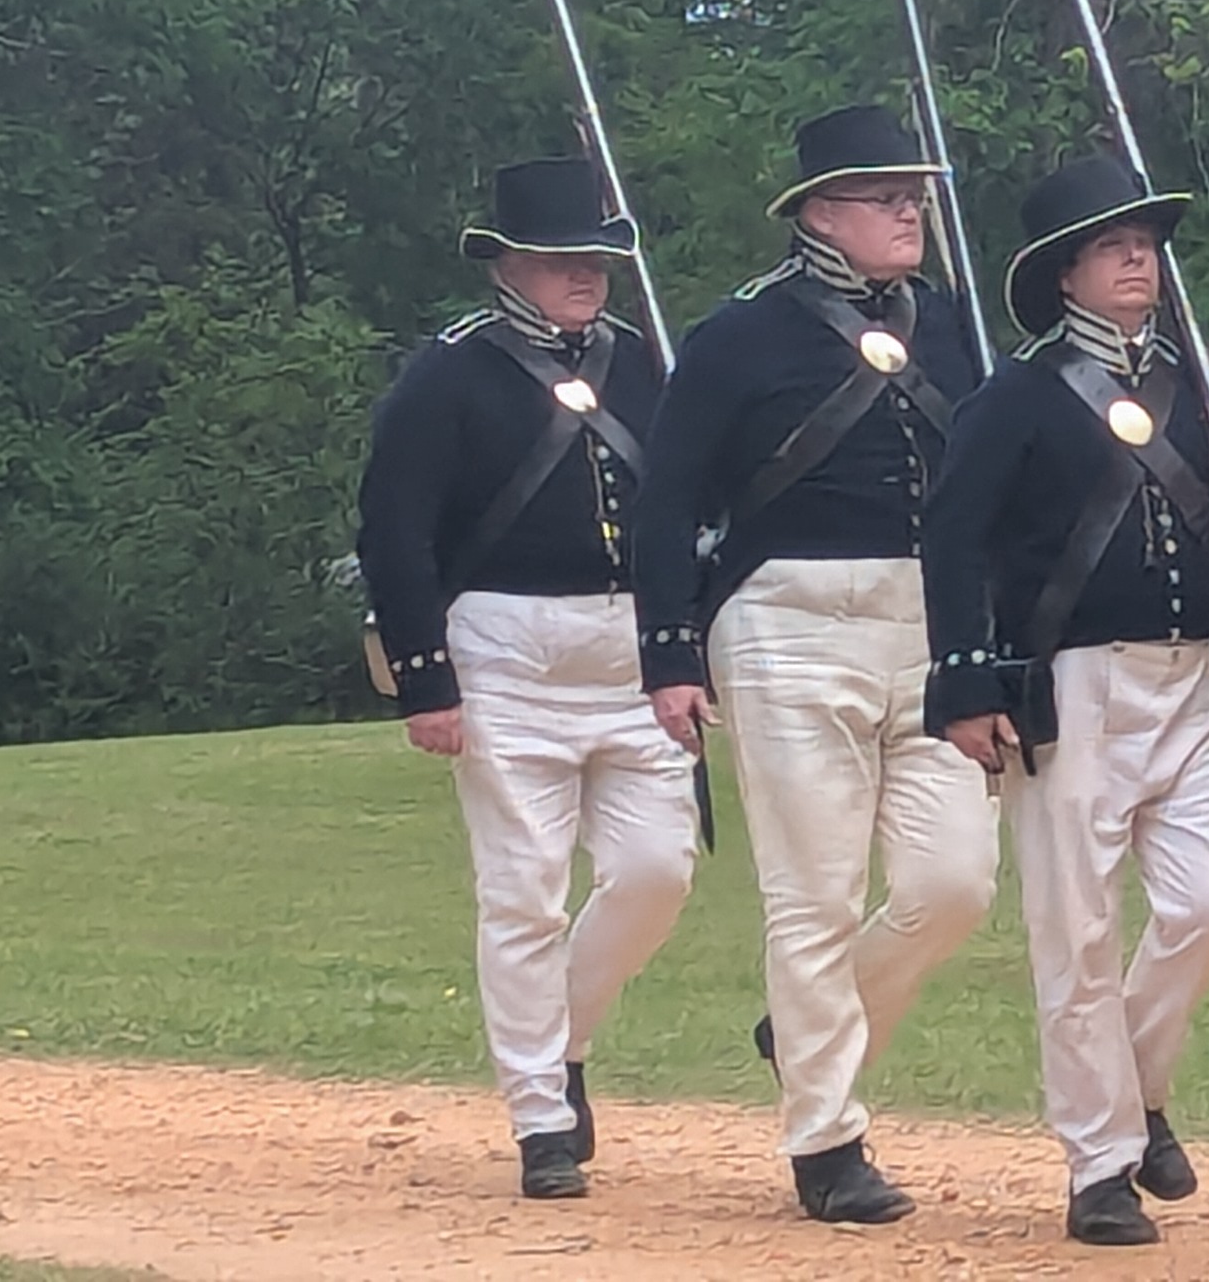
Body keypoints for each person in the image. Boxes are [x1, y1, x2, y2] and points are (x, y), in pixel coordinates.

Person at [919, 156, 1209, 1247]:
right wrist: (966, 680)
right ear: (1065, 274)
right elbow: (954, 537)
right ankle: (1099, 1165)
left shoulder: (1197, 388)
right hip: (1073, 684)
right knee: (1076, 931)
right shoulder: (1018, 395)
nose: (1138, 259)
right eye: (1112, 246)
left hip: (1190, 679)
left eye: (1144, 244)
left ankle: (1135, 1086)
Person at [638, 105, 994, 1226]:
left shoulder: (953, 326)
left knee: (954, 883)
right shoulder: (738, 335)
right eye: (885, 197)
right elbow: (667, 497)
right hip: (786, 621)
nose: (910, 213)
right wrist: (668, 650)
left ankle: (799, 1037)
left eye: (915, 196)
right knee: (815, 893)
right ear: (821, 214)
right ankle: (827, 1139)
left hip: (929, 623)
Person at [355, 155, 700, 1201]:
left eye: (594, 258)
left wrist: (681, 646)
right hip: (505, 651)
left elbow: (679, 510)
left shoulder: (641, 362)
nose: (583, 276)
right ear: (507, 265)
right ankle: (541, 1117)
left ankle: (563, 1039)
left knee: (657, 873)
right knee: (523, 894)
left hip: (630, 651)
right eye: (559, 260)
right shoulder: (450, 372)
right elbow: (395, 529)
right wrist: (426, 678)